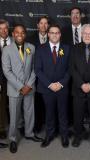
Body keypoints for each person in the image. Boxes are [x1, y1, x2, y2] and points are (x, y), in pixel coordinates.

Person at [2, 24, 42, 153]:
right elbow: (7, 71)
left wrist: (29, 85)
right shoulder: (7, 50)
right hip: (15, 88)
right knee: (14, 115)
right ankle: (13, 139)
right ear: (13, 34)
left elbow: (35, 69)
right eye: (17, 32)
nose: (20, 35)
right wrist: (20, 86)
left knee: (29, 112)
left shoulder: (32, 48)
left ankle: (29, 133)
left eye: (23, 32)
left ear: (25, 34)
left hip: (29, 87)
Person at [35, 24, 70, 148]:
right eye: (52, 32)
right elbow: (38, 70)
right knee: (49, 113)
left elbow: (70, 70)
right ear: (48, 34)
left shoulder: (67, 48)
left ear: (60, 34)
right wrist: (50, 84)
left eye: (57, 33)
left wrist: (60, 84)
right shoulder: (40, 49)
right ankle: (49, 135)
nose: (55, 35)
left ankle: (64, 135)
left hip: (62, 88)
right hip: (47, 88)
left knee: (63, 113)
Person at [0, 19, 13, 139]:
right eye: (0, 28)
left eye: (5, 28)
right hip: (1, 79)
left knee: (16, 103)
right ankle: (2, 128)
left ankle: (19, 125)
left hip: (14, 78)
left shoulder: (15, 41)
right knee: (1, 104)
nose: (3, 31)